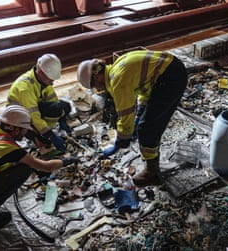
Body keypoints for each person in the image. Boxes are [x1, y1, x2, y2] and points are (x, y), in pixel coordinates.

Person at [77, 50, 187, 186]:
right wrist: (141, 109)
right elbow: (143, 85)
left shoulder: (117, 80)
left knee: (147, 129)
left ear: (97, 76)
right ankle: (152, 162)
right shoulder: (116, 67)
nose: (97, 89)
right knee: (145, 122)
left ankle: (152, 172)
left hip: (171, 79)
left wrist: (122, 139)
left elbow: (126, 114)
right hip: (171, 70)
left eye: (94, 86)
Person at [7, 53, 71, 152]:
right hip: (19, 120)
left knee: (64, 106)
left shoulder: (42, 81)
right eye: (50, 79)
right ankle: (36, 135)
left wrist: (62, 119)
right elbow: (33, 116)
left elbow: (53, 101)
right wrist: (51, 135)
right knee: (42, 139)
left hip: (33, 110)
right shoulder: (25, 88)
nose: (52, 82)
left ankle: (42, 131)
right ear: (40, 72)